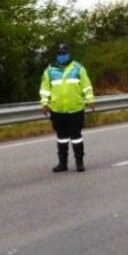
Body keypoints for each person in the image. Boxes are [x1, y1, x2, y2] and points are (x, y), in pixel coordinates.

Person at [40, 44, 95, 172]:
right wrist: (44, 104)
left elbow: (86, 86)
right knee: (62, 137)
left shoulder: (78, 68)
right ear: (56, 55)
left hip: (75, 108)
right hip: (58, 110)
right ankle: (62, 163)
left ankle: (79, 162)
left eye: (64, 53)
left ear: (69, 54)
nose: (62, 56)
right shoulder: (50, 70)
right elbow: (45, 89)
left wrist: (90, 100)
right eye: (59, 53)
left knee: (76, 137)